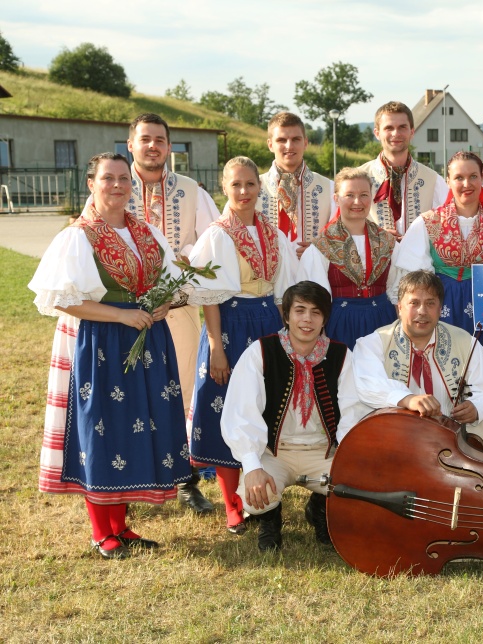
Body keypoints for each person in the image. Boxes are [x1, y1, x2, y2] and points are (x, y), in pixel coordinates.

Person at [28, 153, 192, 558]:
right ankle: (102, 532)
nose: (117, 185)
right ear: (91, 184)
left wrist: (162, 305)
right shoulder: (79, 236)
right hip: (103, 342)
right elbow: (65, 300)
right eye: (108, 178)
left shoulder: (147, 234)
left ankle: (122, 526)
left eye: (123, 178)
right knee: (102, 427)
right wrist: (120, 314)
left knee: (135, 426)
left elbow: (173, 284)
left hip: (147, 340)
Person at [187, 156, 297, 534]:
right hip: (230, 325)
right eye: (236, 185)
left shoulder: (273, 233)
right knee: (225, 407)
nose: (244, 192)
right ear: (224, 188)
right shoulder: (219, 234)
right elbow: (211, 297)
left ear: (259, 187)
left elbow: (284, 292)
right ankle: (232, 503)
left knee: (262, 407)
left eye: (250, 184)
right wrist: (217, 347)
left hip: (267, 323)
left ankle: (259, 495)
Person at [220, 281, 367, 552]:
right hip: (276, 451)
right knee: (255, 495)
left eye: (315, 312)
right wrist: (252, 465)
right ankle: (270, 521)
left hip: (324, 451)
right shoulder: (260, 352)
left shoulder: (341, 355)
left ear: (325, 319)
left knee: (361, 491)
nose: (307, 320)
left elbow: (352, 412)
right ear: (286, 316)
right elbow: (242, 412)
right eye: (299, 310)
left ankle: (321, 509)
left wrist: (348, 460)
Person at [126, 112, 221, 514]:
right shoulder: (112, 183)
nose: (152, 146)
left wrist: (184, 269)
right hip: (124, 313)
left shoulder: (191, 190)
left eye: (160, 140)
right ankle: (124, 484)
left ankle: (185, 481)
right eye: (145, 139)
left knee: (179, 395)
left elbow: (214, 243)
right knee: (126, 396)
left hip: (178, 309)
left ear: (169, 146)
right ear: (130, 144)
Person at [389, 151, 483, 362]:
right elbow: (410, 278)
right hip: (441, 305)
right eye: (459, 177)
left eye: (473, 176)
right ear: (448, 181)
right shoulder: (428, 223)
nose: (466, 184)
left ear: (482, 178)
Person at [352, 270, 483, 453]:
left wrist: (477, 407)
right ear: (399, 308)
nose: (422, 311)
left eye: (430, 303)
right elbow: (368, 386)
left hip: (454, 436)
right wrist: (408, 399)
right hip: (398, 436)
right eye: (414, 303)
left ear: (440, 308)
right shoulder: (373, 343)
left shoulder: (465, 341)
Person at [298, 167, 397, 349]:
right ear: (336, 199)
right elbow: (314, 298)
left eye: (364, 195)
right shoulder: (322, 246)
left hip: (383, 322)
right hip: (340, 323)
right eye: (349, 195)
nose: (357, 202)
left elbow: (397, 289)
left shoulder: (388, 242)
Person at [359, 101, 448, 237]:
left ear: (412, 132)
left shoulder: (433, 180)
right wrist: (372, 235)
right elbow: (343, 226)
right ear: (377, 133)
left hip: (418, 258)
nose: (396, 133)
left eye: (402, 127)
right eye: (389, 128)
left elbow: (448, 226)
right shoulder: (358, 178)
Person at [257, 111, 335, 257]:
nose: (289, 146)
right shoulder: (253, 187)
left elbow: (345, 232)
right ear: (270, 145)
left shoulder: (329, 188)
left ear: (305, 143)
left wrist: (321, 248)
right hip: (266, 276)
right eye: (281, 140)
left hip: (313, 274)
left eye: (296, 139)